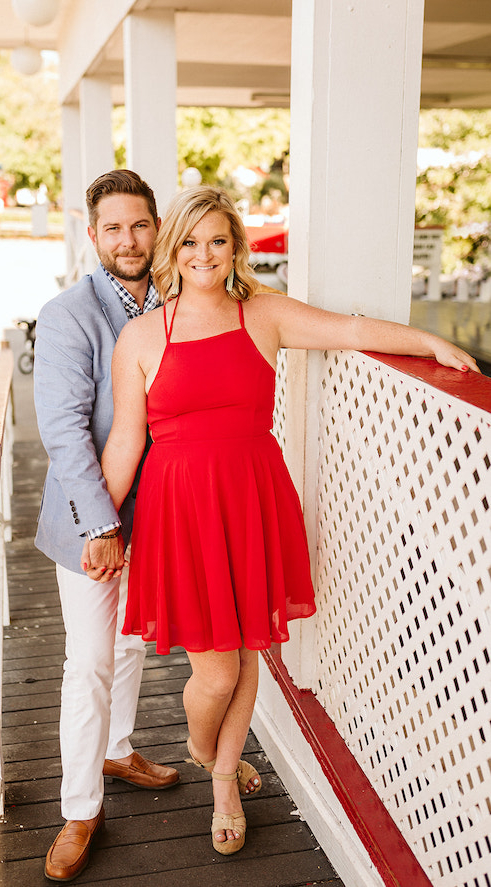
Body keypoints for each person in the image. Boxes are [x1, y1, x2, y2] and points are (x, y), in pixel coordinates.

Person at [98, 185, 477, 856]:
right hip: (182, 510)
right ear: (171, 249)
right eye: (189, 241)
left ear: (234, 247)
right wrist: (96, 526)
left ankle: (221, 779)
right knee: (214, 674)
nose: (203, 254)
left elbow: (353, 330)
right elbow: (127, 441)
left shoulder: (263, 315)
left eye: (217, 240)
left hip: (252, 497)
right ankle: (199, 744)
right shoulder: (141, 335)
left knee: (249, 654)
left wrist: (427, 341)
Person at [32, 169, 181, 883]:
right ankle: (81, 807)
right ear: (93, 236)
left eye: (140, 225)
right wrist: (101, 524)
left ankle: (119, 748)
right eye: (114, 228)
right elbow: (63, 433)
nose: (129, 240)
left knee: (130, 645)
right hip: (90, 521)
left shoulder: (180, 303)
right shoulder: (69, 316)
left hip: (162, 514)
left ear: (158, 229)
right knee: (87, 660)